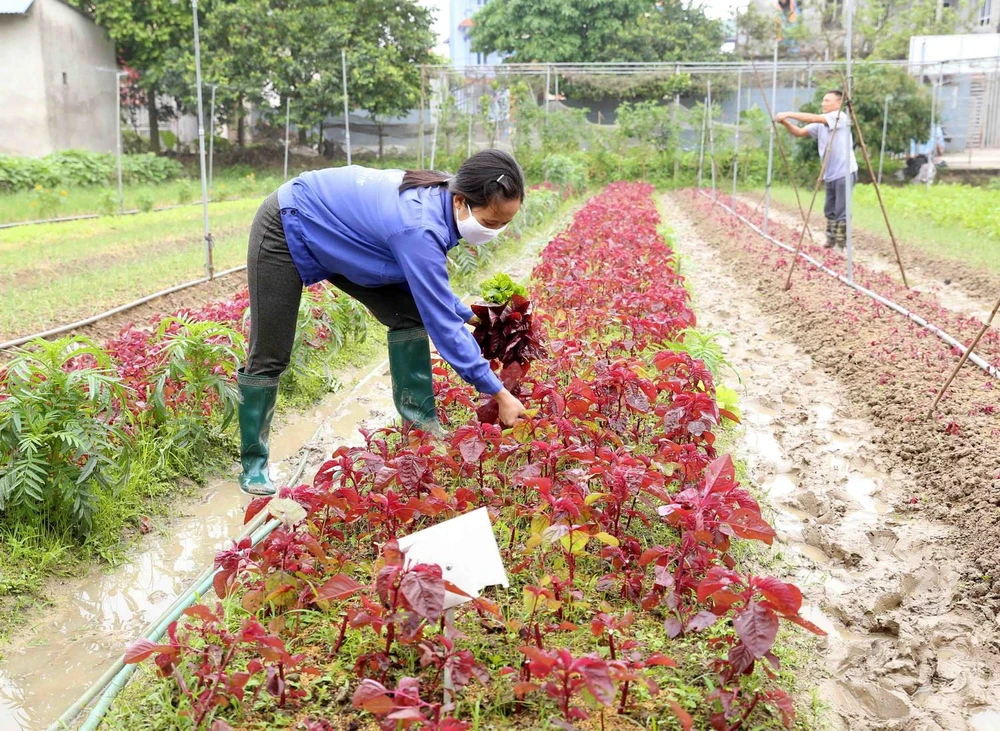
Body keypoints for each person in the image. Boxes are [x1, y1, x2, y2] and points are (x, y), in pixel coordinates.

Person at [236, 150, 528, 495]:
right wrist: (498, 391)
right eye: (491, 222)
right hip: (289, 223)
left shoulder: (446, 199)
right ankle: (253, 464)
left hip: (348, 239)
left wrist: (474, 317)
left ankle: (421, 431)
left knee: (408, 313)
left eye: (504, 223)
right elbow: (441, 320)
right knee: (271, 351)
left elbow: (427, 285)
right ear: (462, 202)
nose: (495, 230)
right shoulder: (418, 225)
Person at [774, 90, 859, 249]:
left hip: (844, 171)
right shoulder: (822, 124)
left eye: (827, 101)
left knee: (841, 209)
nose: (823, 103)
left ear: (837, 103)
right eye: (823, 100)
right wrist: (785, 123)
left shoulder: (840, 117)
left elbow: (813, 117)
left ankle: (842, 243)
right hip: (830, 173)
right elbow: (799, 132)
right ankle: (831, 239)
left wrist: (788, 114)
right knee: (829, 208)